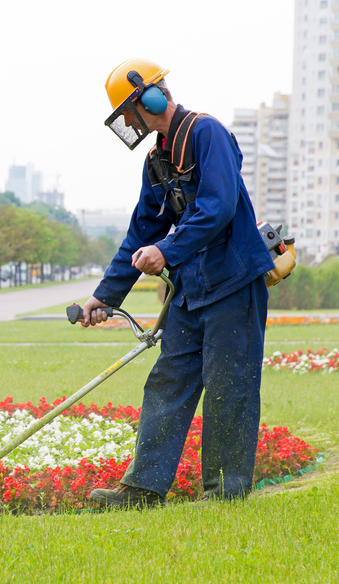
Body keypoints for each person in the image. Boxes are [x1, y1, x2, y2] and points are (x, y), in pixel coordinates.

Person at [83, 58, 276, 508]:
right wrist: (104, 296)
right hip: (191, 293)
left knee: (230, 389)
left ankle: (226, 495)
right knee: (166, 384)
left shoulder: (207, 134)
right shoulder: (157, 158)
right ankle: (142, 490)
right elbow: (142, 231)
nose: (127, 123)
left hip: (233, 285)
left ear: (148, 98)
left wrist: (166, 252)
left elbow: (218, 207)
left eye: (127, 112)